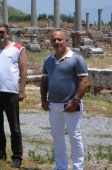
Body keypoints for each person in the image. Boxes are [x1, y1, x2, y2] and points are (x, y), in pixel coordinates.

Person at [40, 30, 89, 170]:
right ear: (50, 42)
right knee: (57, 137)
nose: (57, 42)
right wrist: (43, 100)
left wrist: (75, 101)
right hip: (53, 105)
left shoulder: (76, 58)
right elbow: (44, 81)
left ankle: (78, 167)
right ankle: (61, 166)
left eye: (60, 39)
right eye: (54, 40)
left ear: (66, 41)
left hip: (71, 105)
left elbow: (84, 81)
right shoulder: (48, 60)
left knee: (74, 136)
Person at [0, 24, 27, 168]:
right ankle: (0, 152)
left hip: (10, 93)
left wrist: (21, 90)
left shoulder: (18, 49)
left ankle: (17, 156)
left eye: (2, 32)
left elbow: (23, 70)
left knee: (14, 127)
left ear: (8, 33)